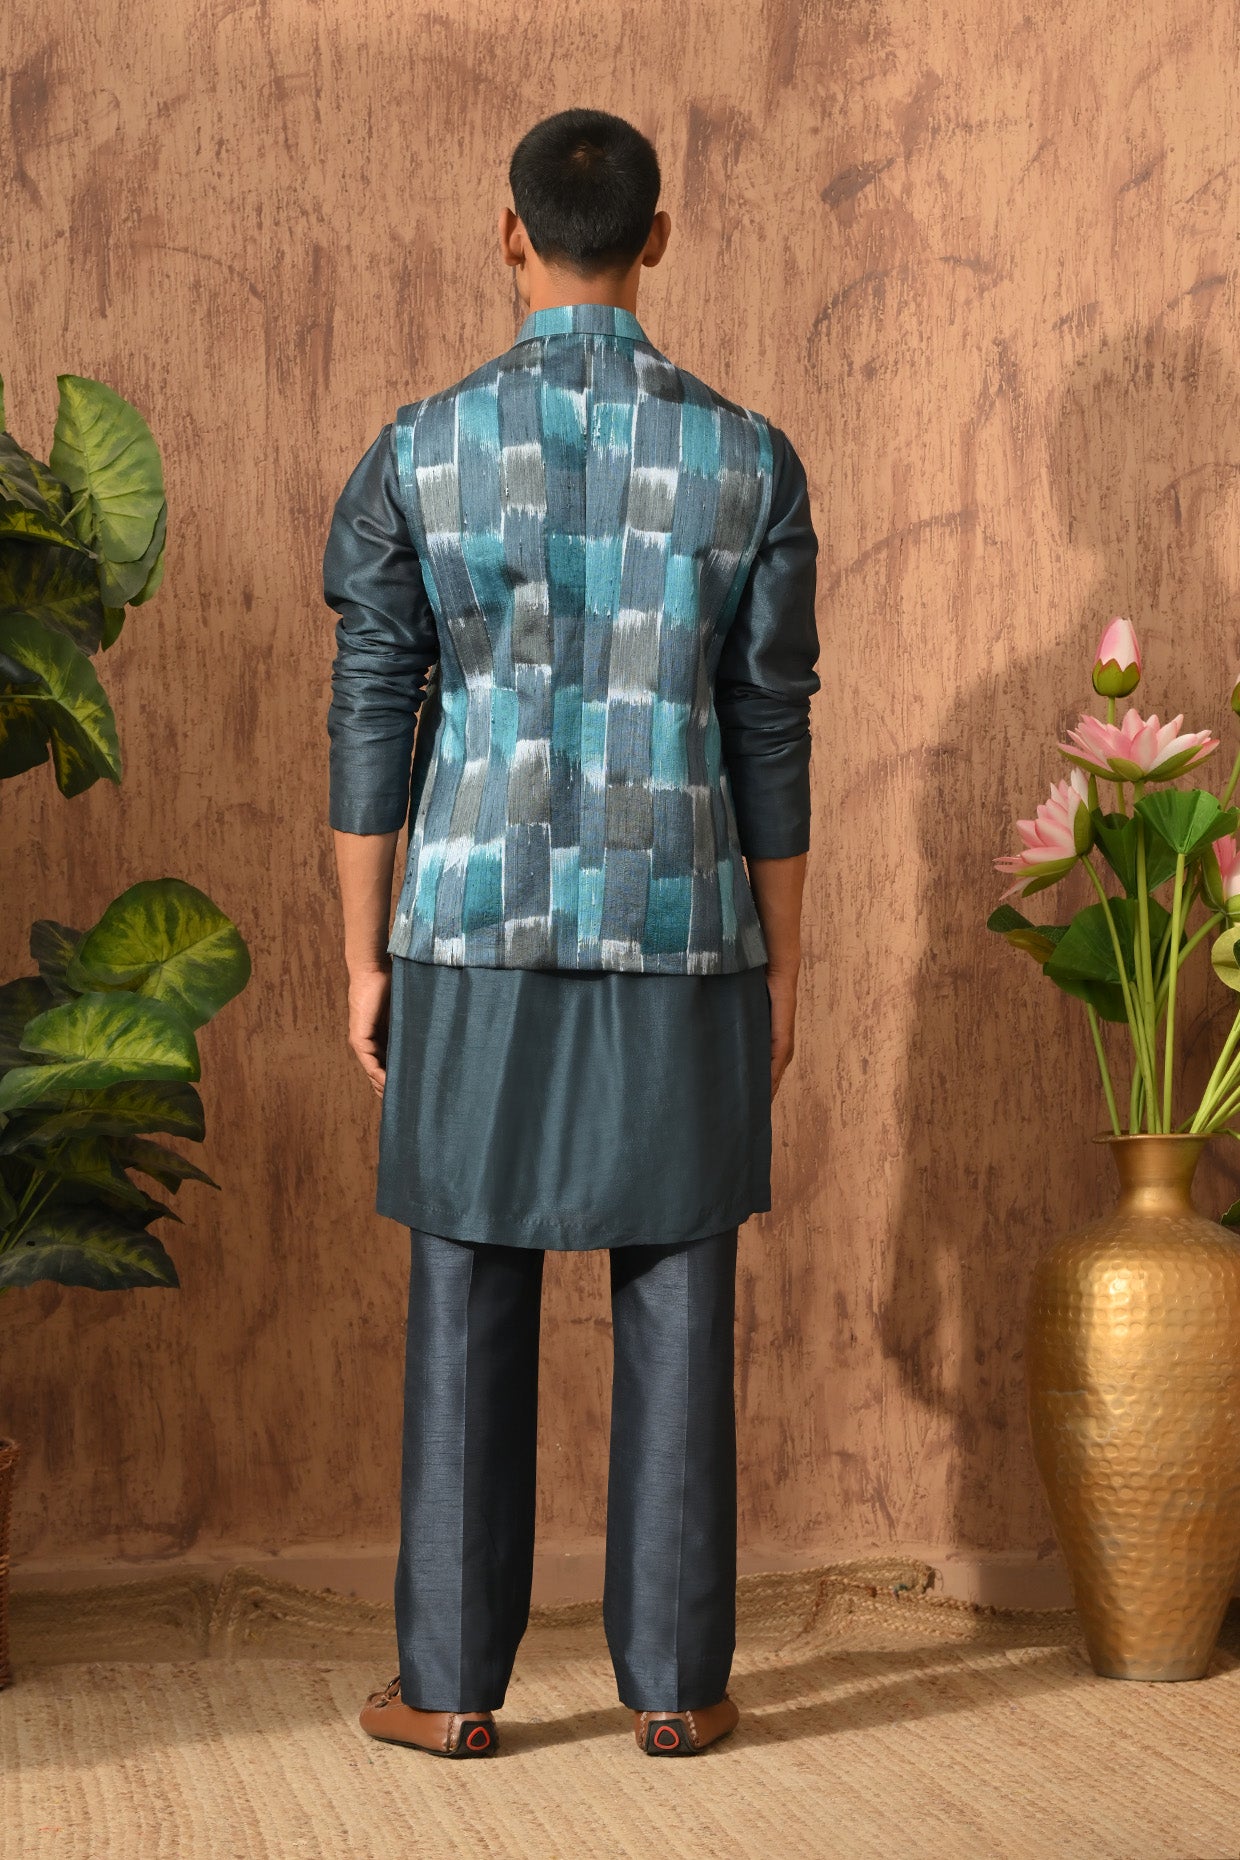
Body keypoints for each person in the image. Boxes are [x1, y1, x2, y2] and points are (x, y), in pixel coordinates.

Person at [323, 106, 820, 1760]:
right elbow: (770, 728)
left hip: (469, 927)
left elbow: (372, 710)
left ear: (510, 234)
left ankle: (451, 1691)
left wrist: (363, 955)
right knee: (680, 1286)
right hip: (685, 929)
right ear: (657, 238)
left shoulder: (417, 449)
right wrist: (784, 964)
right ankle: (677, 1690)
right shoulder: (750, 459)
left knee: (466, 1286)